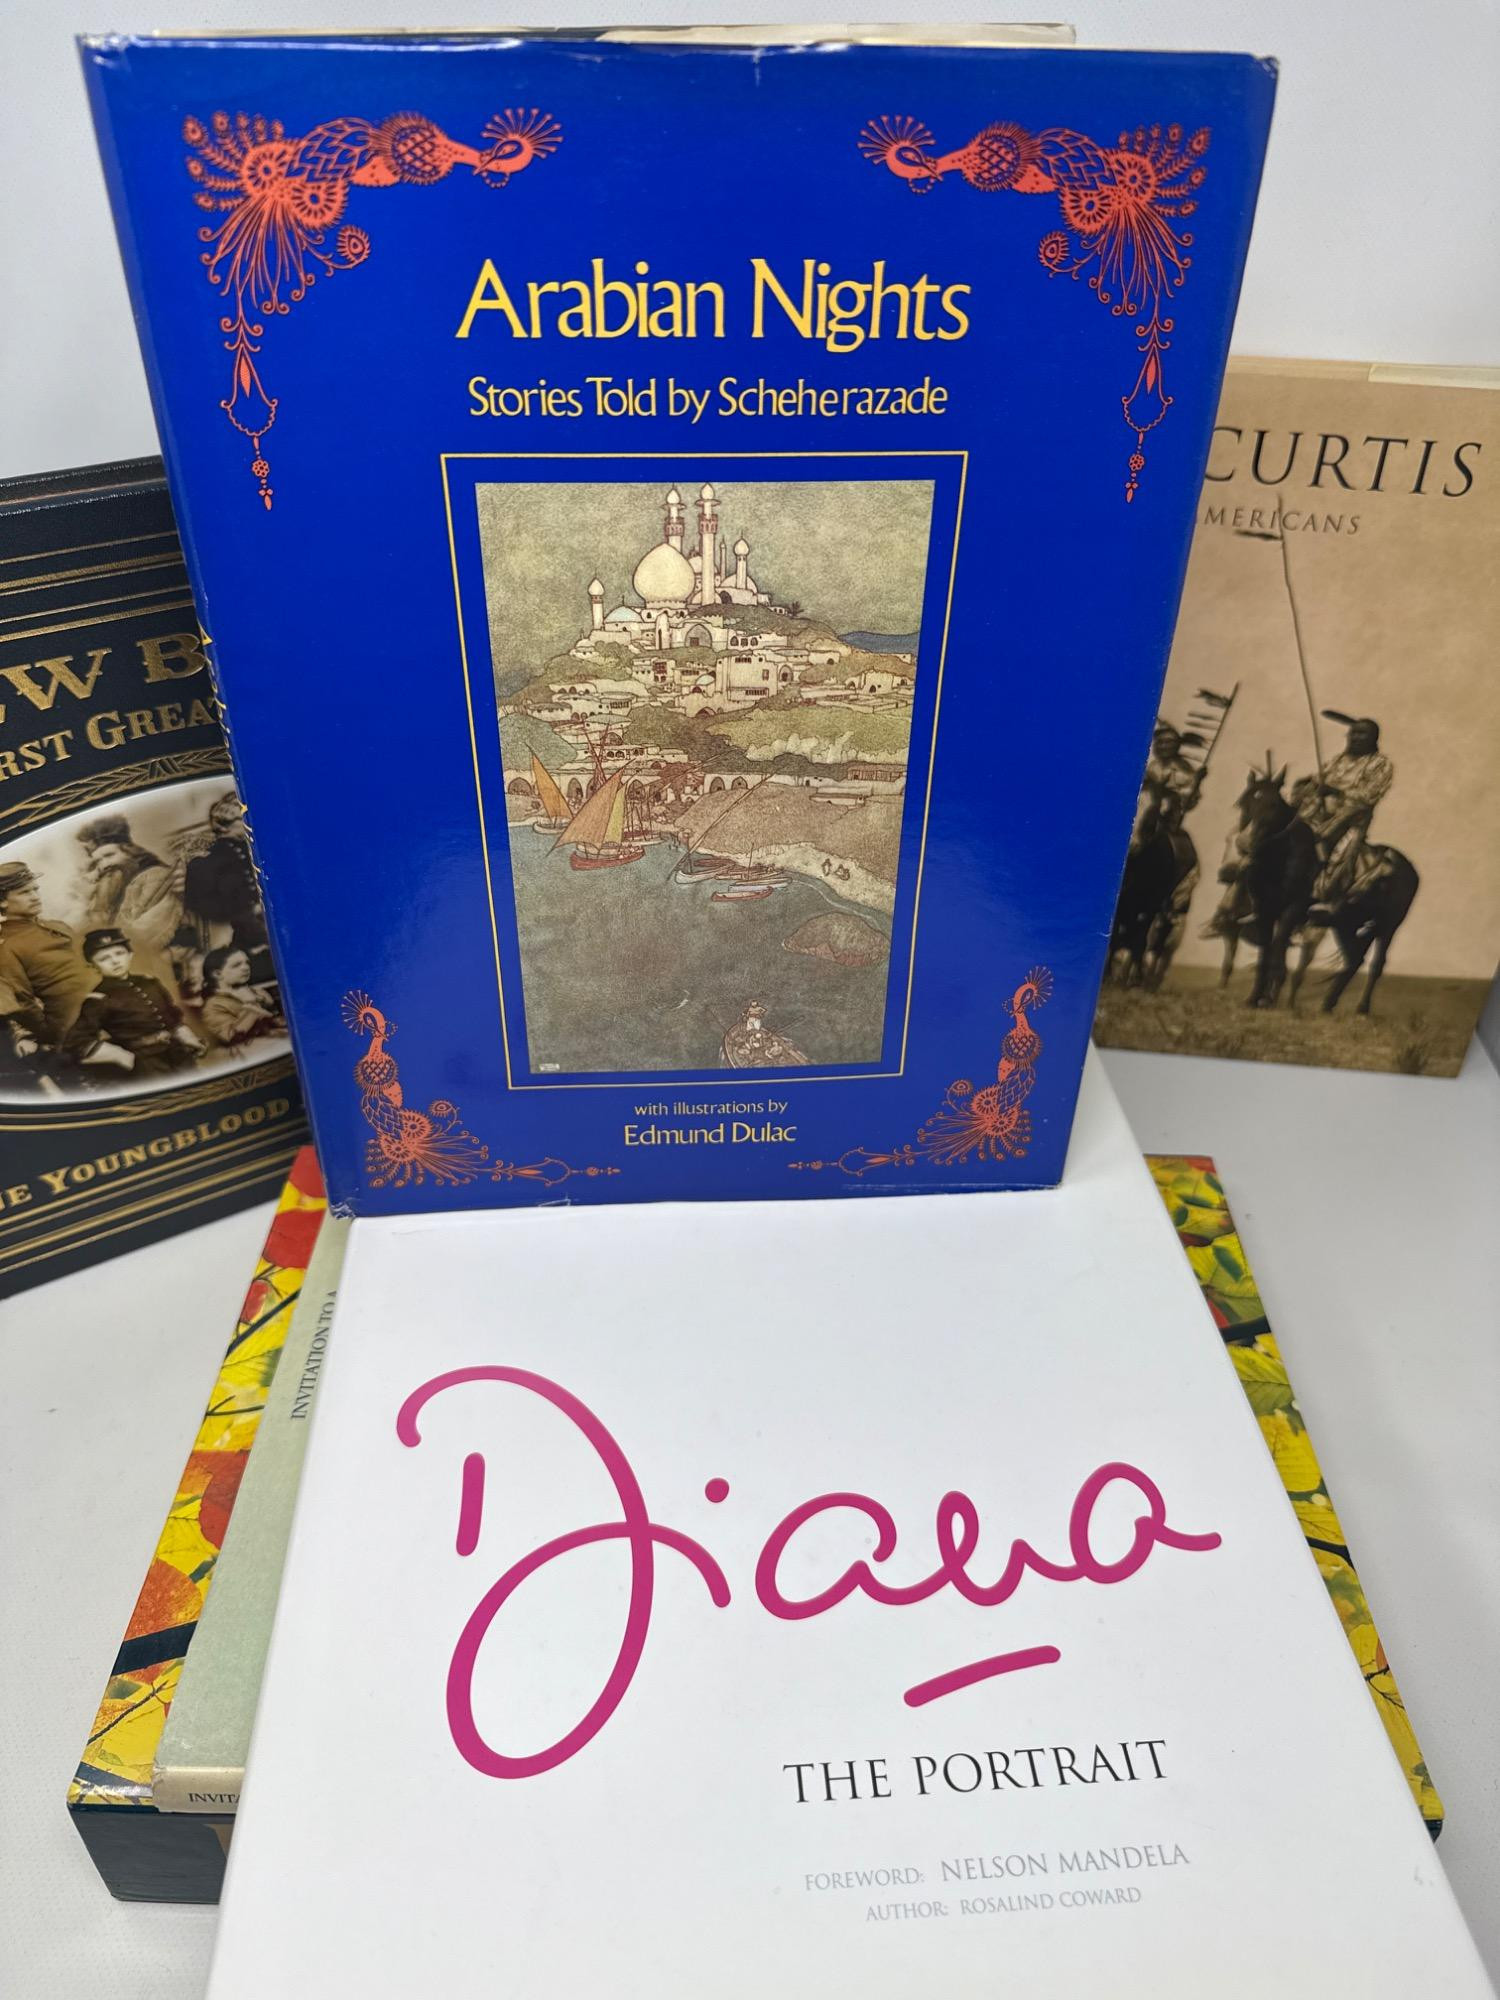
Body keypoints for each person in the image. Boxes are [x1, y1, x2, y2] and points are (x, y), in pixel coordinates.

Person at [61, 928, 204, 1083]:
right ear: (93, 965)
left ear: (130, 955)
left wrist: (185, 1035)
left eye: (119, 953)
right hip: (145, 1064)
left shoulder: (150, 982)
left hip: (178, 1053)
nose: (115, 961)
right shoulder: (99, 999)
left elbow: (172, 1015)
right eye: (104, 958)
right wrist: (119, 1055)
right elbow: (76, 1041)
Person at [1298, 715, 1394, 916]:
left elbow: (1369, 795)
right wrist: (1309, 784)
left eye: (1362, 734)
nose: (1355, 737)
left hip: (1350, 820)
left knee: (1340, 855)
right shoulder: (1337, 760)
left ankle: (1326, 899)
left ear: (1373, 738)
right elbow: (1318, 780)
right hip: (1317, 814)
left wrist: (1336, 791)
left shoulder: (1381, 764)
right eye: (1353, 733)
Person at [0, 860, 96, 1050]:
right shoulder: (8, 947)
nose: (35, 897)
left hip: (115, 1005)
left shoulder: (58, 927)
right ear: (2, 901)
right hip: (76, 1026)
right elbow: (23, 1004)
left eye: (35, 890)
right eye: (24, 892)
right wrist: (52, 1034)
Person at [183, 792, 271, 981]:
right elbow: (201, 905)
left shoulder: (259, 850)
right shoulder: (206, 864)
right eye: (242, 819)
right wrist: (248, 912)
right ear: (225, 826)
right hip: (245, 939)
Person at [198, 945, 284, 1051]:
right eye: (236, 965)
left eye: (247, 963)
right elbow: (230, 1037)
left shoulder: (257, 992)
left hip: (277, 1042)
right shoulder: (213, 1006)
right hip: (252, 1051)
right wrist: (251, 1006)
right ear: (218, 974)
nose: (246, 967)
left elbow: (277, 1019)